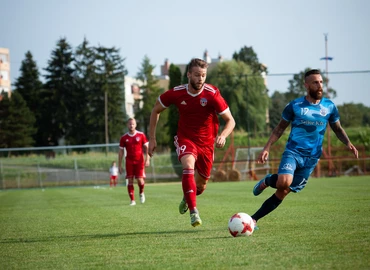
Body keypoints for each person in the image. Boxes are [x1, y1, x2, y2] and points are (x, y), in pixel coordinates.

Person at [251, 69, 359, 228]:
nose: (320, 85)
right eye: (315, 82)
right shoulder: (295, 106)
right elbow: (279, 129)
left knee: (284, 191)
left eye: (321, 82)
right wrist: (267, 147)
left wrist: (348, 143)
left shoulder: (329, 106)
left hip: (312, 158)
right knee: (283, 182)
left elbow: (337, 128)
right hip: (293, 152)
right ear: (307, 85)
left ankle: (253, 219)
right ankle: (268, 180)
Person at [148, 58, 236, 227]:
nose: (200, 78)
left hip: (207, 144)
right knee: (188, 164)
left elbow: (230, 120)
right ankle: (194, 212)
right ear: (188, 75)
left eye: (203, 75)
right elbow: (155, 110)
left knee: (201, 186)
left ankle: (188, 197)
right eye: (197, 75)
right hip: (186, 138)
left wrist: (223, 135)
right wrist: (152, 138)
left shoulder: (212, 94)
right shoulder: (176, 92)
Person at [118, 118, 150, 206]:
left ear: (135, 125)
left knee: (140, 180)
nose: (131, 126)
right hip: (129, 161)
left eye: (133, 124)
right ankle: (132, 200)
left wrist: (148, 159)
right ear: (127, 125)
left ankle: (141, 192)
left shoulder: (141, 135)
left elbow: (147, 148)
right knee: (130, 180)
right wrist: (119, 165)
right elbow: (120, 152)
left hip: (139, 161)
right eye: (129, 124)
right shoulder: (124, 138)